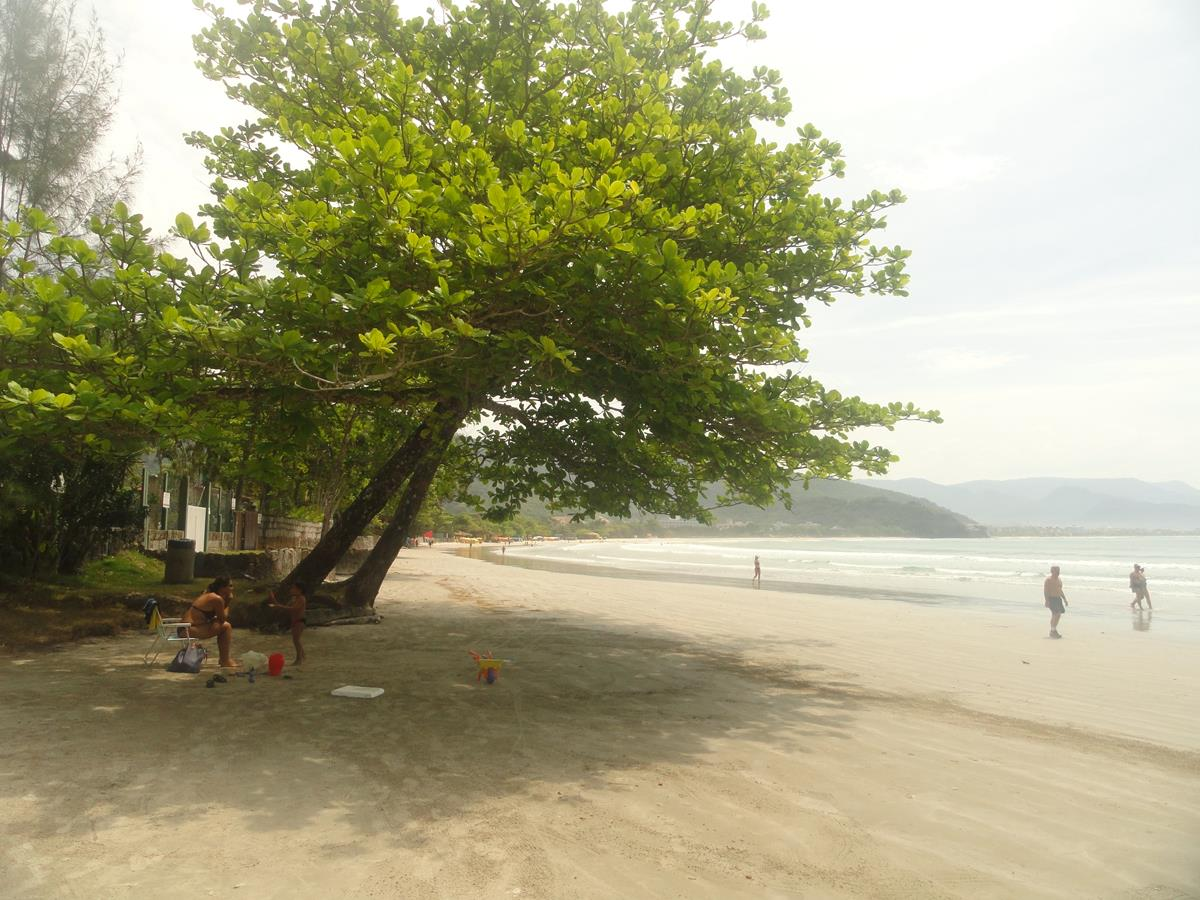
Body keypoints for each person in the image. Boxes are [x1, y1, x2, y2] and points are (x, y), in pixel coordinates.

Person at [184, 576, 237, 667]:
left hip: (188, 628)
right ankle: (225, 660)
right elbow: (222, 618)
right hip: (188, 630)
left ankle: (224, 659)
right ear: (222, 588)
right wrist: (228, 601)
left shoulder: (208, 594)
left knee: (221, 624)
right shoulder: (217, 599)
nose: (233, 588)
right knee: (226, 627)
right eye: (230, 586)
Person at [268, 582, 308, 666]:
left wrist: (278, 605)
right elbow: (285, 607)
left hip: (299, 621)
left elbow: (294, 609)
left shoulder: (301, 598)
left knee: (296, 640)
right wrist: (274, 600)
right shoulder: (295, 599)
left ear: (299, 590)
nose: (291, 590)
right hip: (295, 621)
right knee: (297, 640)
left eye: (293, 588)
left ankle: (299, 659)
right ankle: (303, 656)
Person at [1043, 565, 1067, 639]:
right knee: (1056, 614)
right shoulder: (1048, 580)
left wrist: (1065, 599)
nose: (1058, 572)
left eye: (1058, 571)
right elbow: (1045, 591)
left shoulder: (1059, 579)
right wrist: (1047, 600)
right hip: (1051, 599)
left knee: (1057, 614)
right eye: (1056, 571)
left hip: (1058, 599)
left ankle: (1053, 630)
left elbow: (1060, 590)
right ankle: (1053, 631)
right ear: (1052, 571)